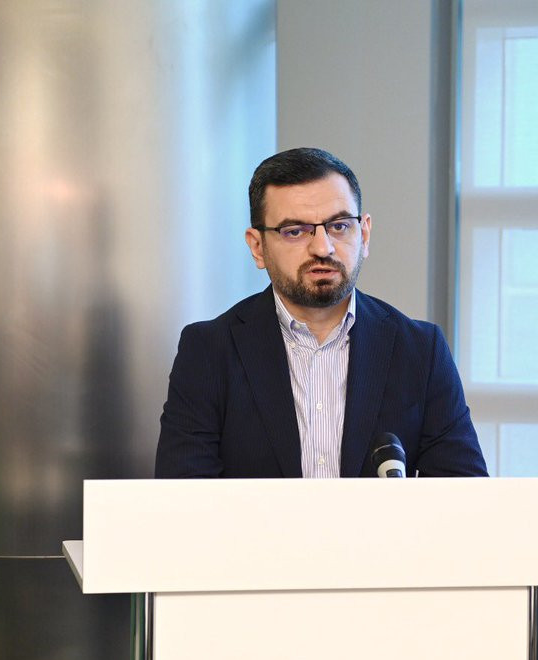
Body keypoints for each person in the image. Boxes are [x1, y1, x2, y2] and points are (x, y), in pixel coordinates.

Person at [154, 147, 487, 479]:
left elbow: (464, 495)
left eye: (339, 226)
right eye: (295, 231)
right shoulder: (208, 351)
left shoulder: (421, 351)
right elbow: (183, 496)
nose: (322, 247)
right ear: (258, 247)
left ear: (364, 234)